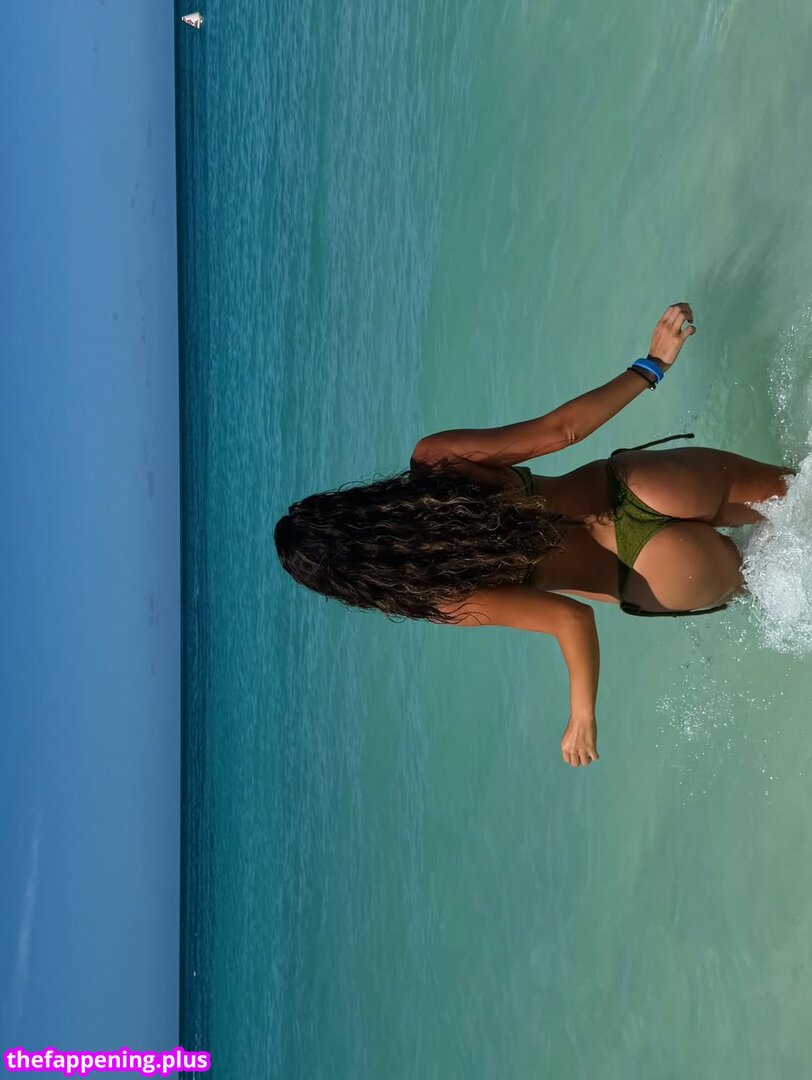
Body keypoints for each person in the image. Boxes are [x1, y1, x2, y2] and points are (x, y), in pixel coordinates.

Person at [274, 304, 794, 768]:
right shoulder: (436, 460)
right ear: (349, 505)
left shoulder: (439, 595)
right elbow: (562, 430)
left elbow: (572, 619)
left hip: (654, 574)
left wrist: (582, 716)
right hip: (640, 487)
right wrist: (651, 365)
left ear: (353, 583)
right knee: (799, 496)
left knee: (788, 575)